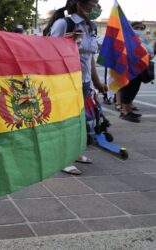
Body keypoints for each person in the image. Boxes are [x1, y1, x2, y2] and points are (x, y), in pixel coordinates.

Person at [43, 0, 107, 175]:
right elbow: (49, 52)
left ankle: (75, 152)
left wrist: (97, 82)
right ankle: (62, 159)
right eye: (93, 4)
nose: (97, 8)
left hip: (84, 81)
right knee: (64, 120)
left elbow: (90, 58)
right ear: (80, 4)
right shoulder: (64, 23)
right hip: (65, 81)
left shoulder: (91, 27)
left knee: (78, 119)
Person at [119, 21, 154, 123]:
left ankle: (129, 110)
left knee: (134, 90)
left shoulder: (144, 40)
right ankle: (125, 112)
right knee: (127, 90)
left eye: (142, 28)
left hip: (141, 69)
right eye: (137, 28)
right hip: (129, 69)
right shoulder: (127, 39)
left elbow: (150, 53)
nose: (139, 30)